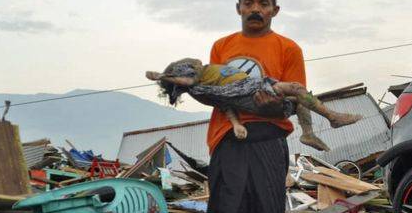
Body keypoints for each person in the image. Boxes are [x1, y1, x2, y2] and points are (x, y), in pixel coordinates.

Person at [204, 0, 304, 213]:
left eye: (263, 4)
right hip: (228, 133)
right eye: (249, 3)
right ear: (238, 9)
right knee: (229, 211)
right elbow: (215, 91)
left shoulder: (288, 49)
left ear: (275, 10)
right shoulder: (221, 46)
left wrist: (273, 106)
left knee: (268, 208)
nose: (256, 9)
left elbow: (296, 99)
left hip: (269, 134)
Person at [145, 58, 361, 151]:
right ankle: (333, 118)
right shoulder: (198, 87)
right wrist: (164, 77)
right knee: (295, 88)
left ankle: (308, 133)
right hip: (249, 91)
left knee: (300, 98)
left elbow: (220, 101)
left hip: (252, 85)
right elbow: (221, 101)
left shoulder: (207, 73)